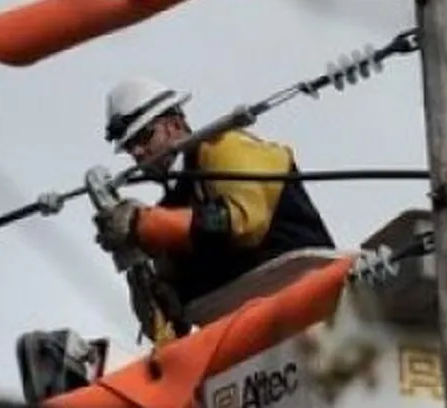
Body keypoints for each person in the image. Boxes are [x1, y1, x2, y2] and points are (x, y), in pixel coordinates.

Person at [93, 76, 337, 344]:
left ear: (174, 124)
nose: (138, 153)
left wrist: (146, 225)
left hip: (306, 286)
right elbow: (176, 328)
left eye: (144, 137)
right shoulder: (170, 207)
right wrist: (153, 290)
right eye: (130, 148)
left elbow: (240, 223)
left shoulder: (223, 147)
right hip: (250, 330)